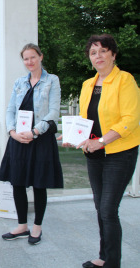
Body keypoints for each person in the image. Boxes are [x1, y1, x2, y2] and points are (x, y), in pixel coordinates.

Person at [75, 34, 139, 268]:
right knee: (100, 208)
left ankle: (112, 263)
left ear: (113, 54)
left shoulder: (125, 80)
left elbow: (130, 119)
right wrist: (73, 135)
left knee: (108, 209)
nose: (98, 56)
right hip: (94, 154)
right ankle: (104, 257)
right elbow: (85, 119)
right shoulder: (87, 85)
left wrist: (101, 140)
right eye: (93, 52)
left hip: (120, 153)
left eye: (103, 50)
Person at [0, 43, 63, 245]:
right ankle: (22, 226)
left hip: (40, 139)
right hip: (18, 139)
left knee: (38, 183)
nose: (29, 62)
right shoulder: (19, 82)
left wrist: (35, 131)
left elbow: (53, 112)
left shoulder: (52, 81)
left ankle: (37, 227)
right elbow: (10, 110)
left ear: (40, 57)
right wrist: (12, 132)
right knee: (17, 182)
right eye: (26, 58)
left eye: (32, 57)